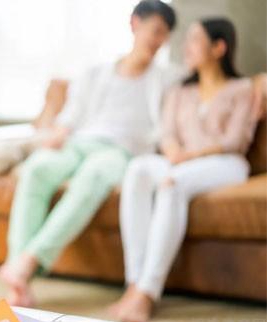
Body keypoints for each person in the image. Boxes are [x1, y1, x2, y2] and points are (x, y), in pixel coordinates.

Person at [0, 0, 182, 307]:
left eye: (165, 35)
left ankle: (28, 261)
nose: (158, 40)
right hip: (79, 143)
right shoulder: (97, 73)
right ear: (134, 24)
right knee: (37, 169)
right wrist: (56, 134)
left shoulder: (167, 78)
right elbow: (70, 117)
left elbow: (203, 85)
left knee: (92, 177)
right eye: (155, 30)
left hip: (120, 153)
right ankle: (19, 277)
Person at [110, 17, 260, 322]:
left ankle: (147, 293)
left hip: (226, 163)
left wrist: (190, 155)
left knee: (172, 182)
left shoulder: (242, 88)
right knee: (138, 169)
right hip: (180, 161)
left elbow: (234, 141)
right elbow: (166, 133)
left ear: (219, 47)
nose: (185, 47)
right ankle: (134, 283)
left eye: (194, 40)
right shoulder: (180, 91)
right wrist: (174, 151)